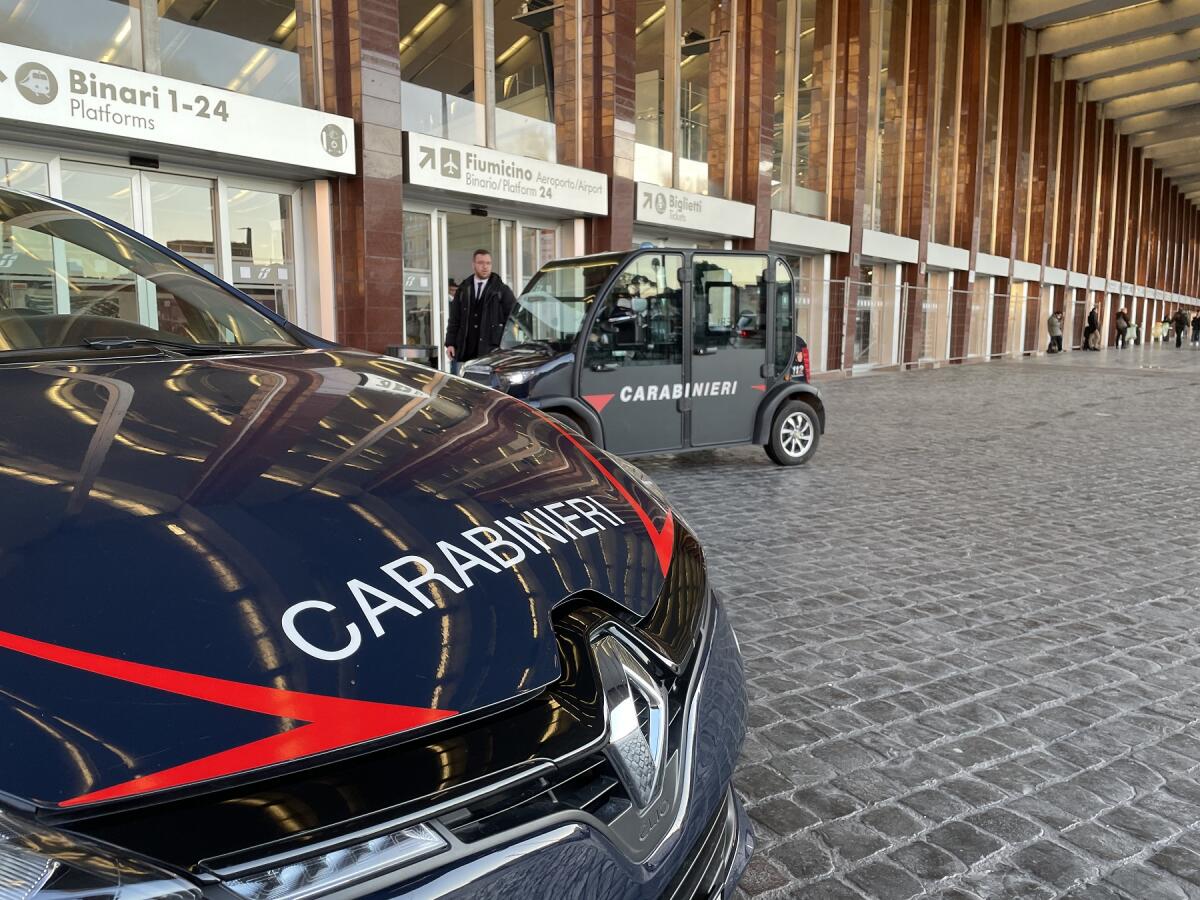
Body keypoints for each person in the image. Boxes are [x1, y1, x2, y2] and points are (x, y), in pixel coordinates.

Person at [445, 249, 517, 374]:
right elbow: (455, 318)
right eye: (481, 263)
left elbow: (513, 319)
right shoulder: (463, 289)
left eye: (488, 263)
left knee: (485, 385)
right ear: (473, 265)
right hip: (465, 351)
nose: (485, 267)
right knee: (460, 384)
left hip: (491, 353)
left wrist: (506, 347)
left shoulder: (502, 290)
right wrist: (450, 343)